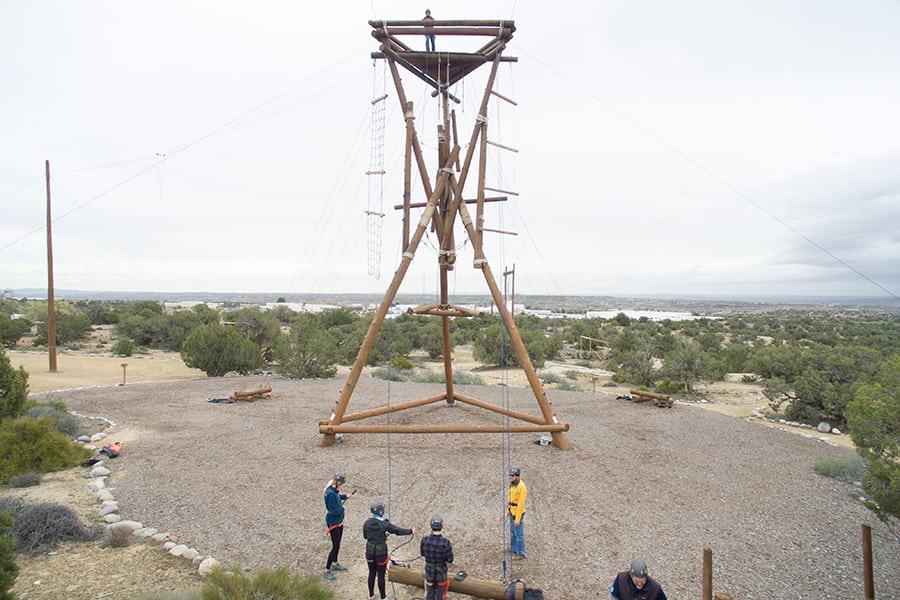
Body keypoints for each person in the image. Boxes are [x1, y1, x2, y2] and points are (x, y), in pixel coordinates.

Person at [363, 501, 414, 600]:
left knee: (371, 572)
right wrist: (410, 531)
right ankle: (383, 597)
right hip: (381, 552)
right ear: (381, 512)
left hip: (369, 550)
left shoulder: (367, 523)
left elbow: (366, 536)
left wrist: (381, 534)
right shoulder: (385, 524)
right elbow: (398, 531)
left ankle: (371, 595)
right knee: (381, 574)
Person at [323, 472, 353, 581]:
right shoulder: (330, 493)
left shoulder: (333, 491)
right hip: (334, 522)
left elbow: (337, 498)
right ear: (339, 483)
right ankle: (327, 569)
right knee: (335, 546)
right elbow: (332, 509)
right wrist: (341, 509)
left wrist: (345, 496)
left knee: (338, 543)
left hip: (338, 521)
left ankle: (335, 563)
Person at [420, 515, 454, 600]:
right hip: (441, 571)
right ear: (441, 526)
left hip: (429, 570)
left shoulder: (424, 540)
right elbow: (450, 560)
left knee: (430, 592)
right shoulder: (446, 542)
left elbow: (422, 554)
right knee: (440, 594)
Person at [507, 466, 528, 560]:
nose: (511, 477)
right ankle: (513, 548)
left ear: (517, 476)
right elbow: (510, 497)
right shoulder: (512, 484)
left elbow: (520, 504)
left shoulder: (521, 487)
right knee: (512, 532)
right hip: (512, 511)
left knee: (519, 534)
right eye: (510, 475)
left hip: (517, 513)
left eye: (512, 475)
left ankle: (521, 552)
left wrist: (518, 518)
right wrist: (509, 510)